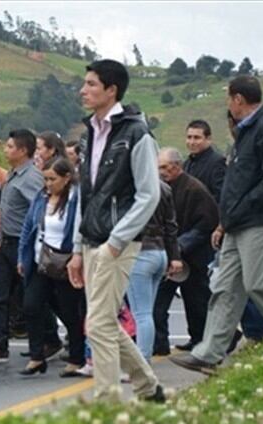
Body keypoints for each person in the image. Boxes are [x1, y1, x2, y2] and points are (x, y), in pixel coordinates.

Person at [171, 76, 263, 375]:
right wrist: (226, 220)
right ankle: (210, 353)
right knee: (224, 288)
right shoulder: (245, 132)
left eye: (229, 98)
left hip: (258, 221)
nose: (228, 104)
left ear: (238, 99)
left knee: (260, 286)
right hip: (236, 224)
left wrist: (243, 206)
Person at [65, 60, 165, 402]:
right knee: (105, 321)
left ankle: (107, 404)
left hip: (117, 243)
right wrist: (77, 248)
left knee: (98, 323)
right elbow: (86, 195)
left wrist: (116, 242)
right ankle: (148, 387)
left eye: (91, 84)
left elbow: (149, 195)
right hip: (91, 241)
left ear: (112, 90)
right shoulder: (89, 134)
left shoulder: (137, 134)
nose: (83, 90)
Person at [0, 129, 44, 363]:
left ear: (23, 150)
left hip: (23, 245)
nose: (6, 150)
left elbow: (39, 212)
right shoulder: (13, 174)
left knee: (33, 298)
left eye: (10, 146)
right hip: (6, 243)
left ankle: (46, 342)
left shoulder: (32, 177)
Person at [17, 158, 86, 376]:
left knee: (69, 311)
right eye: (45, 179)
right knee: (31, 305)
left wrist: (77, 256)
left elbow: (80, 230)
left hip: (64, 262)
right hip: (41, 260)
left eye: (52, 179)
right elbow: (28, 227)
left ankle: (76, 357)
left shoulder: (76, 199)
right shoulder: (41, 197)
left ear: (66, 178)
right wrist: (22, 257)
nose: (48, 184)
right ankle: (37, 356)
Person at [153, 147, 219, 354]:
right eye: (158, 168)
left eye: (164, 167)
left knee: (197, 300)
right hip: (171, 252)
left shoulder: (194, 189)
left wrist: (180, 246)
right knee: (160, 300)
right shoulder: (163, 188)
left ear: (177, 166)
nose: (161, 172)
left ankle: (203, 338)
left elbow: (206, 224)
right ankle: (160, 343)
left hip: (192, 255)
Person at [126, 180, 181, 361]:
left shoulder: (131, 186)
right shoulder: (164, 187)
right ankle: (145, 357)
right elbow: (171, 225)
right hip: (160, 251)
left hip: (139, 251)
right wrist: (174, 256)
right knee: (146, 311)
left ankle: (142, 360)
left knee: (141, 314)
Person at [184, 119, 227, 202]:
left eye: (197, 138)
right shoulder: (186, 164)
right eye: (189, 137)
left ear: (208, 139)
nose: (192, 142)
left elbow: (220, 195)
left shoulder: (217, 162)